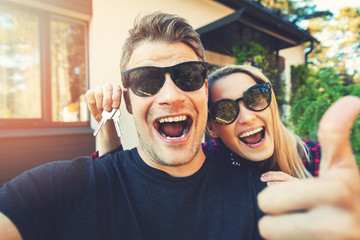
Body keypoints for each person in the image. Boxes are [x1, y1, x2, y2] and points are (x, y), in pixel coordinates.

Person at [0, 11, 359, 240]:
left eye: (188, 75)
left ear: (204, 89)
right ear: (127, 99)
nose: (170, 95)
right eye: (146, 81)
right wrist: (106, 129)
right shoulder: (68, 186)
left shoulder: (264, 191)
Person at [88, 64, 320, 185]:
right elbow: (118, 181)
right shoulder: (207, 163)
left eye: (255, 97)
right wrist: (105, 118)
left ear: (271, 102)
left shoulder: (318, 158)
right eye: (225, 110)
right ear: (211, 128)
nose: (247, 118)